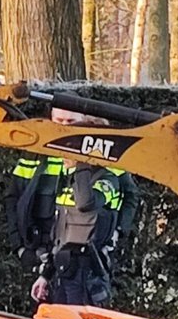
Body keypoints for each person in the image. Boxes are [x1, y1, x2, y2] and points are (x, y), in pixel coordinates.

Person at [8, 114, 139, 308]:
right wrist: (46, 275)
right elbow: (62, 238)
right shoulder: (70, 181)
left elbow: (86, 203)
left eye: (71, 149)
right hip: (64, 271)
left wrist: (81, 164)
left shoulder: (106, 179)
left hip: (87, 276)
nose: (63, 155)